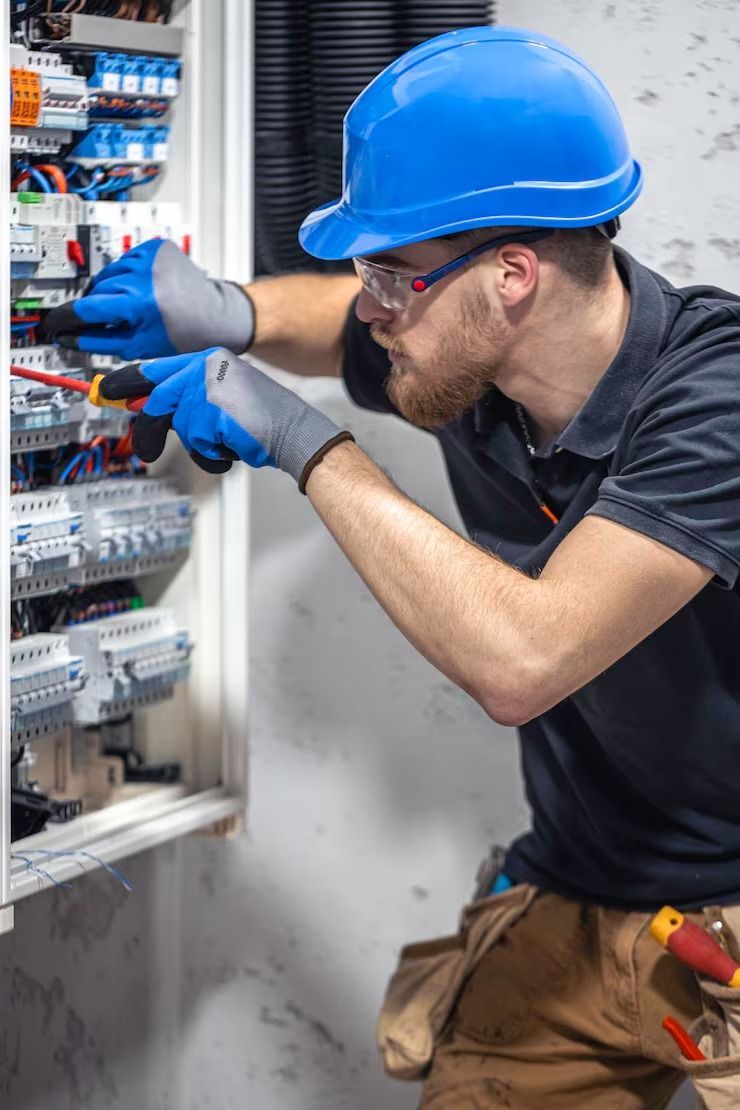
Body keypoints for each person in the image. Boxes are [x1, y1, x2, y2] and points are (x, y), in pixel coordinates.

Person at [45, 26, 740, 1109]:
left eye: (390, 275)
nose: (372, 306)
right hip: (580, 885)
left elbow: (523, 658)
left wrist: (304, 443)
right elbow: (342, 329)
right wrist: (232, 307)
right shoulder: (469, 354)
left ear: (512, 276)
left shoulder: (717, 401)